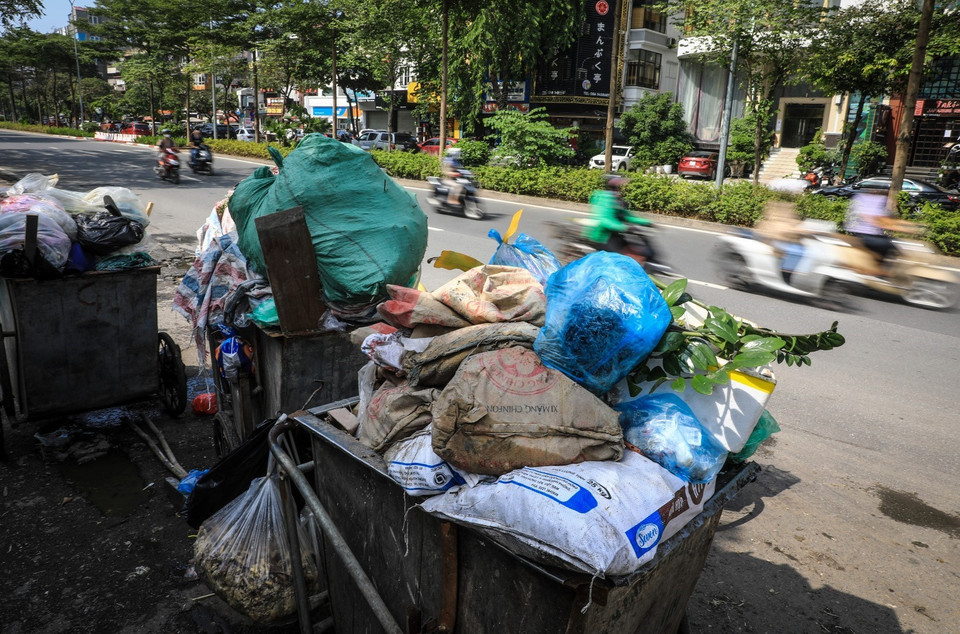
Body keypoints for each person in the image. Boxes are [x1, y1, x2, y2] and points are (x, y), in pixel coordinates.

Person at [844, 188, 918, 275]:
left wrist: (908, 225)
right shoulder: (878, 200)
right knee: (895, 249)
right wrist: (905, 228)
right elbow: (879, 220)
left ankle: (877, 268)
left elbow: (885, 220)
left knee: (887, 246)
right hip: (868, 236)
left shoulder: (861, 197)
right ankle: (881, 272)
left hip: (858, 233)